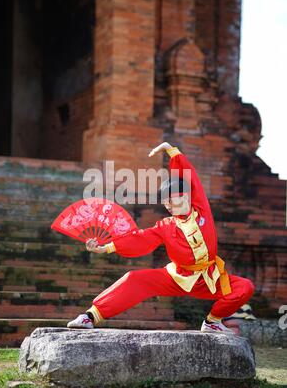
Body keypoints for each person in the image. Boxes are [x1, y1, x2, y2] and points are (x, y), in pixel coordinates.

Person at [67, 142, 255, 333]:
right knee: (134, 279)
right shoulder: (166, 226)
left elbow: (191, 178)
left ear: (187, 197)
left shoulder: (201, 211)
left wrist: (172, 151)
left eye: (172, 200)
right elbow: (139, 239)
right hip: (176, 276)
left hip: (208, 278)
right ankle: (89, 316)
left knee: (244, 287)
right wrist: (105, 247)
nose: (169, 206)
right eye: (166, 203)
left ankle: (212, 322)